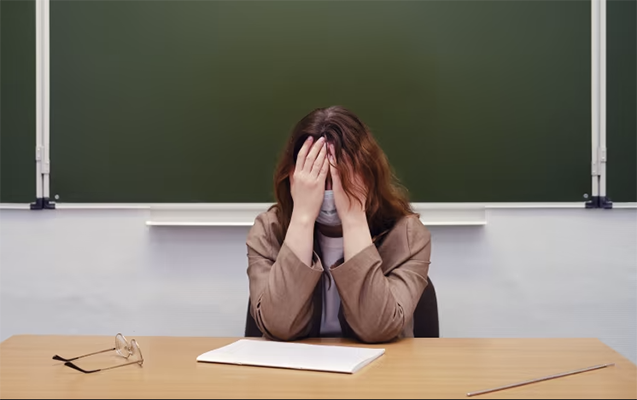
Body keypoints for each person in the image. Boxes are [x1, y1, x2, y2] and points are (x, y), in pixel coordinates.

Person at [246, 106, 431, 343]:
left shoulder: (407, 236)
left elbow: (376, 329)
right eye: (317, 177)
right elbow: (279, 325)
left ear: (368, 175)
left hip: (382, 365)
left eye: (339, 177)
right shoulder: (268, 231)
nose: (329, 190)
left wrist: (353, 218)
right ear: (293, 178)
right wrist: (302, 217)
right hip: (297, 365)